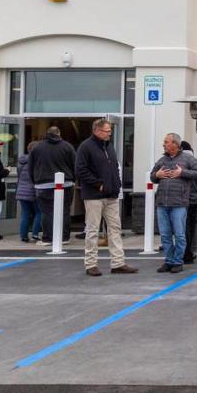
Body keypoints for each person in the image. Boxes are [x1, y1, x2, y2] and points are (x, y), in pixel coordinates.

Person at [75, 118, 138, 277]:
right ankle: (91, 264)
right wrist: (99, 184)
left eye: (110, 130)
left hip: (111, 194)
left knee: (115, 228)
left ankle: (118, 262)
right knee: (92, 229)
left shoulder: (109, 146)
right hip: (94, 195)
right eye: (106, 131)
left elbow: (114, 167)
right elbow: (80, 170)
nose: (109, 133)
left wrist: (116, 184)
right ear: (96, 130)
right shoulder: (86, 147)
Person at [151, 133, 197, 273]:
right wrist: (156, 176)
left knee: (180, 234)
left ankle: (178, 261)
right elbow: (152, 176)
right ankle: (168, 261)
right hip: (162, 203)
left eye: (166, 141)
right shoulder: (162, 160)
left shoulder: (188, 159)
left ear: (175, 144)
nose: (164, 144)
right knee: (165, 235)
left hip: (179, 203)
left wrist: (182, 173)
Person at [29, 126, 76, 245]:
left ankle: (48, 238)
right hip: (66, 183)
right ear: (59, 133)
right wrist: (74, 179)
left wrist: (35, 181)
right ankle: (64, 237)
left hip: (43, 185)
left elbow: (31, 167)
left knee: (47, 212)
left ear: (47, 134)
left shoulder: (37, 147)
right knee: (65, 211)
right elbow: (75, 165)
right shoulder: (67, 146)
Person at [180, 140, 197, 264]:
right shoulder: (195, 162)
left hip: (179, 199)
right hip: (193, 199)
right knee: (190, 226)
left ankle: (184, 252)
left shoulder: (176, 162)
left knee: (181, 227)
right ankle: (187, 252)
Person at [16, 142, 40, 243]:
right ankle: (35, 234)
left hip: (21, 191)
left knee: (25, 213)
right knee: (39, 213)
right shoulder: (36, 162)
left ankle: (23, 236)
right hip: (33, 191)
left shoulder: (21, 162)